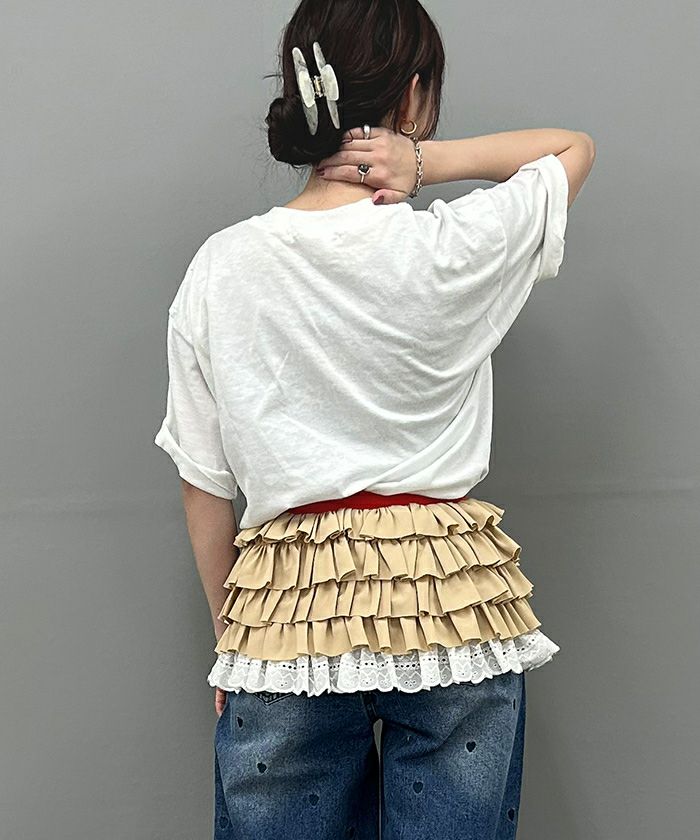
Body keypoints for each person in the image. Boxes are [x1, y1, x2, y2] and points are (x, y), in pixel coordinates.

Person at [153, 1, 595, 838]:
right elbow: (573, 149)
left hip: (286, 615)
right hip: (450, 602)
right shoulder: (451, 244)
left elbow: (203, 482)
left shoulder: (221, 267)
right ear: (415, 94)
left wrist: (232, 638)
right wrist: (425, 162)